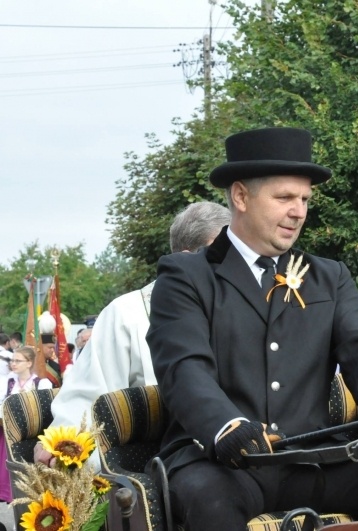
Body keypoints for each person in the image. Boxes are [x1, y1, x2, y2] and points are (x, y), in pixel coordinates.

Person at [146, 127, 358, 530]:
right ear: (241, 196)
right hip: (222, 461)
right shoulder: (185, 276)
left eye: (304, 200)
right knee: (210, 501)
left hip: (311, 457)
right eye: (284, 198)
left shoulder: (329, 276)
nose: (299, 212)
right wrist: (226, 425)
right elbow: (183, 366)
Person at [34, 201, 232, 468]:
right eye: (223, 258)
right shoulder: (127, 314)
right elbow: (88, 400)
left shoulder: (243, 309)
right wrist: (66, 444)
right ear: (188, 257)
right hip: (161, 468)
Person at [1, 346, 54, 502]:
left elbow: (45, 410)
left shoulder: (41, 383)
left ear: (29, 363)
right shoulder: (7, 382)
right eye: (12, 360)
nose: (13, 363)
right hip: (7, 432)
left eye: (18, 361)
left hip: (30, 434)